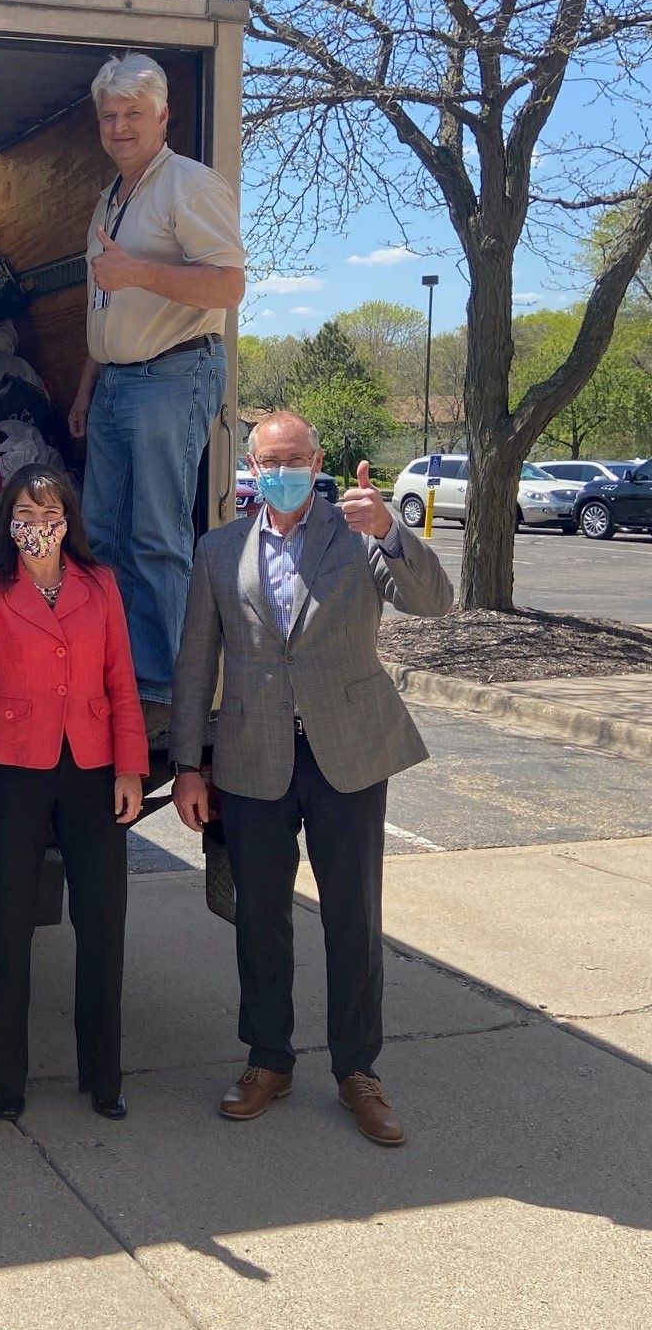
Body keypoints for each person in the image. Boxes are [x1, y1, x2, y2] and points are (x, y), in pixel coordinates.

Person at [168, 413, 454, 1147]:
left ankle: (359, 1070)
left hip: (347, 752)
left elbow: (434, 600)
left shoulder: (358, 532)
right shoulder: (218, 548)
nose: (284, 470)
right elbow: (198, 661)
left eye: (296, 458)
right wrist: (188, 765)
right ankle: (268, 1060)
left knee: (352, 918)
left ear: (318, 460)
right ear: (252, 468)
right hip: (252, 757)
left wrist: (391, 527)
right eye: (271, 460)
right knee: (259, 919)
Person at [0, 466, 148, 1123]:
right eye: (25, 510)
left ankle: (103, 1076)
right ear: (9, 521)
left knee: (103, 921)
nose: (38, 523)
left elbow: (122, 683)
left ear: (68, 520)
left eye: (51, 511)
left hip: (91, 762)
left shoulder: (99, 585)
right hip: (12, 766)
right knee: (10, 922)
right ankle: (7, 1080)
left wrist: (131, 768)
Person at [68, 55, 246, 739]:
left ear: (163, 116)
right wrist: (88, 386)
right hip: (116, 383)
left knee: (155, 536)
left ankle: (166, 686)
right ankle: (117, 671)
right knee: (105, 535)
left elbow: (227, 288)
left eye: (132, 114)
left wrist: (137, 270)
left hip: (172, 375)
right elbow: (105, 301)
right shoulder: (113, 195)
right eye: (108, 116)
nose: (118, 127)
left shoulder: (188, 185)